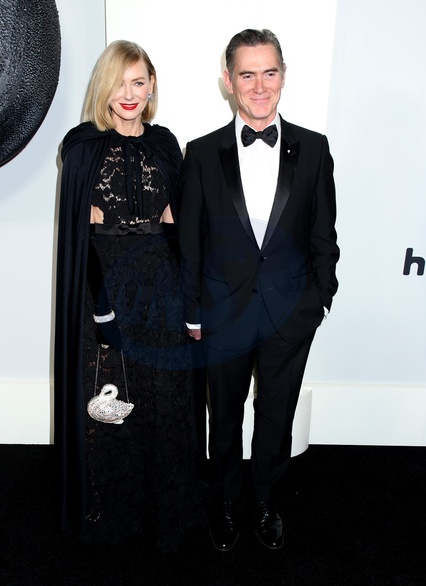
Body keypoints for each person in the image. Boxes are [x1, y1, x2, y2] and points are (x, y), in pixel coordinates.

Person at [178, 29, 339, 552]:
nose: (260, 85)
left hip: (290, 313)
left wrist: (319, 301)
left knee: (276, 415)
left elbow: (324, 235)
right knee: (223, 415)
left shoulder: (314, 149)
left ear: (283, 76)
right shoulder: (201, 153)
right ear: (228, 81)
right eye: (247, 74)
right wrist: (193, 310)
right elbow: (191, 242)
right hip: (222, 314)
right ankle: (225, 501)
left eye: (269, 72)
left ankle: (266, 499)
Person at [54, 40, 205, 553]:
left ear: (152, 85)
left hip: (161, 288)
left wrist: (188, 297)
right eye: (119, 82)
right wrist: (103, 311)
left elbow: (176, 227)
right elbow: (83, 240)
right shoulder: (83, 148)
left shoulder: (165, 145)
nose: (129, 93)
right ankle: (114, 514)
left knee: (164, 397)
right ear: (104, 86)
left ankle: (162, 510)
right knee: (113, 399)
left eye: (139, 82)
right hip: (107, 288)